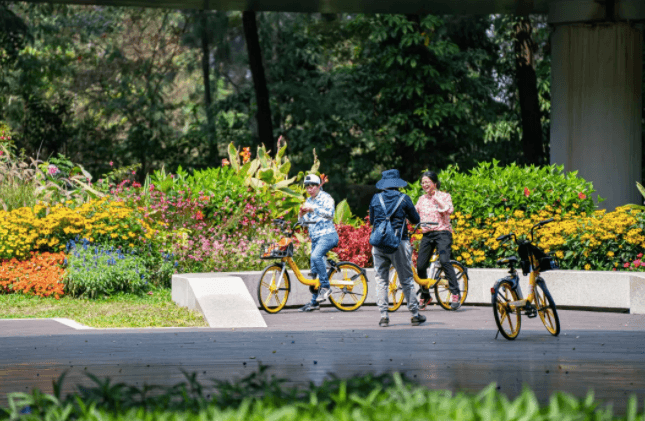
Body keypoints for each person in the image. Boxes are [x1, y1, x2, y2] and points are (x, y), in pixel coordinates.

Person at [369, 169, 424, 327]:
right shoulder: (404, 199)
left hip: (379, 244)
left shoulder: (375, 198)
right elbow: (415, 220)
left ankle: (384, 316)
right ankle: (414, 315)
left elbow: (373, 221)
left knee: (381, 280)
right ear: (397, 183)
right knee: (406, 279)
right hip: (399, 243)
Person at [415, 171, 461, 310]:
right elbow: (414, 214)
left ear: (435, 183)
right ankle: (425, 295)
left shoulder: (444, 196)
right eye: (423, 183)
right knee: (420, 266)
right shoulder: (421, 199)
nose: (424, 185)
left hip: (442, 233)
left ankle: (455, 293)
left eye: (427, 182)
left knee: (445, 260)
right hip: (427, 235)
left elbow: (448, 210)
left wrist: (436, 197)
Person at [298, 174, 339, 312]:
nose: (309, 190)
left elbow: (330, 215)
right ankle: (314, 302)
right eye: (307, 187)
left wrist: (313, 209)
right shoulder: (308, 201)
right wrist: (301, 215)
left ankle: (326, 288)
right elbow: (304, 224)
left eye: (312, 187)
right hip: (315, 238)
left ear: (318, 186)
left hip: (328, 235)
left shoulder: (326, 198)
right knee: (314, 271)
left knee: (316, 257)